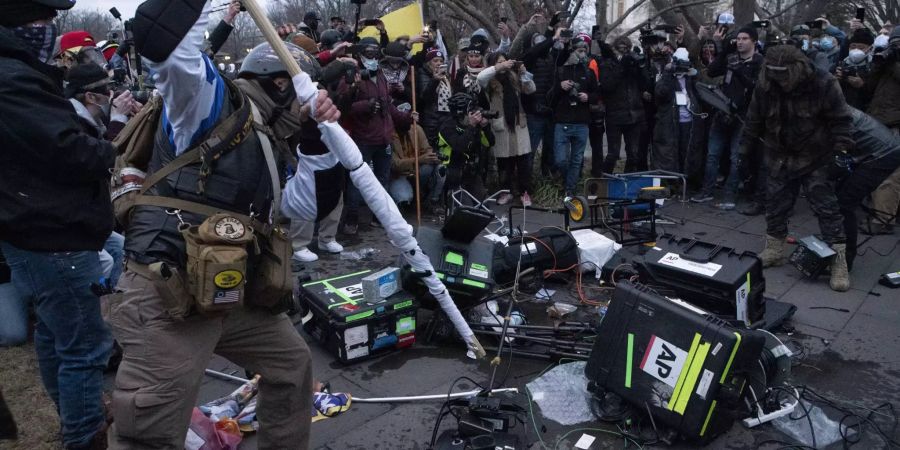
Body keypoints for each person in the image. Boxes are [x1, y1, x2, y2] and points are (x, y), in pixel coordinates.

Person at [109, 2, 339, 447]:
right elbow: (173, 52)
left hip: (228, 289)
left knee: (291, 365)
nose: (303, 104)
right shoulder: (209, 102)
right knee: (151, 428)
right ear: (278, 84)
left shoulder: (271, 141)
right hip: (167, 295)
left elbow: (303, 205)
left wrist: (316, 131)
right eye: (299, 93)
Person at [0, 1, 115, 448]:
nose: (47, 29)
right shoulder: (11, 79)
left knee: (54, 335)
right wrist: (107, 143)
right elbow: (69, 151)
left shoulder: (18, 71)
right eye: (40, 20)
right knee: (84, 350)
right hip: (53, 236)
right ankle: (85, 436)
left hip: (36, 229)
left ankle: (72, 417)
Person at [741, 44, 854, 292]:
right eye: (773, 72)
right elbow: (753, 119)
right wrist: (744, 150)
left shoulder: (823, 83)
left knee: (827, 208)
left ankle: (838, 260)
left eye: (782, 72)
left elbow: (842, 120)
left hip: (816, 155)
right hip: (779, 154)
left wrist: (841, 152)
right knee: (776, 203)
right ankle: (774, 248)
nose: (778, 78)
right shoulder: (766, 84)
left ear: (796, 69)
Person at [339, 36, 414, 234]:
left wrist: (406, 117)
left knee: (382, 179)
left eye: (374, 53)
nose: (371, 57)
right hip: (363, 137)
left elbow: (388, 104)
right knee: (358, 180)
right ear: (360, 54)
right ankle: (352, 217)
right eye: (368, 53)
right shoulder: (351, 75)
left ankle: (378, 216)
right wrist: (366, 105)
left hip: (383, 137)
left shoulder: (380, 74)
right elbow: (343, 107)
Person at [692, 26, 764, 212]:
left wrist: (740, 72)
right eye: (738, 38)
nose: (740, 42)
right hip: (722, 111)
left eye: (745, 38)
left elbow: (757, 89)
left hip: (742, 118)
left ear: (754, 41)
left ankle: (729, 196)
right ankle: (706, 191)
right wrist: (724, 50)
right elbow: (712, 72)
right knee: (712, 155)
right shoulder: (731, 57)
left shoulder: (759, 61)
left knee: (735, 157)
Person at [835, 107, 900, 270]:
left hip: (885, 154)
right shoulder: (829, 104)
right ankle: (837, 248)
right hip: (878, 149)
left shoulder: (829, 110)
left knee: (845, 203)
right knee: (841, 196)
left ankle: (844, 262)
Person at [478, 52, 535, 206]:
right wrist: (498, 67)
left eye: (505, 61)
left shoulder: (514, 77)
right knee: (504, 164)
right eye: (500, 62)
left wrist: (524, 73)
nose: (505, 65)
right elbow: (480, 78)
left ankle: (525, 193)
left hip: (518, 124)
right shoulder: (489, 81)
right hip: (501, 126)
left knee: (524, 163)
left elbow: (531, 89)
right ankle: (506, 192)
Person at [549, 34, 599, 198]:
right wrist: (560, 86)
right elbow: (550, 97)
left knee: (577, 159)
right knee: (561, 160)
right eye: (579, 49)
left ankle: (570, 190)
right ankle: (567, 179)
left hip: (581, 122)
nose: (582, 53)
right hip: (562, 121)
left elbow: (597, 94)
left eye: (584, 50)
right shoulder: (561, 70)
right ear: (572, 51)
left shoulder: (589, 71)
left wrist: (588, 97)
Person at [864, 28, 900, 234]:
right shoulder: (887, 63)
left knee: (891, 175)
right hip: (879, 121)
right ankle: (880, 212)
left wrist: (894, 62)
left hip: (896, 124)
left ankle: (882, 220)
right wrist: (879, 65)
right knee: (874, 170)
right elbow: (869, 88)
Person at [651, 48, 704, 179]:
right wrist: (668, 72)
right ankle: (671, 182)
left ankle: (686, 181)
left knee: (686, 153)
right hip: (670, 123)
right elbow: (661, 93)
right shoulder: (666, 77)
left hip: (689, 123)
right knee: (670, 154)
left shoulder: (690, 79)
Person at [600, 36, 647, 174]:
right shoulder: (607, 63)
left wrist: (640, 66)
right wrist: (622, 67)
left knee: (633, 155)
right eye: (620, 48)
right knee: (613, 155)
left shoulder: (633, 63)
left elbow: (645, 84)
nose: (623, 51)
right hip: (615, 116)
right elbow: (607, 86)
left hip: (634, 116)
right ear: (615, 49)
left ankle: (627, 184)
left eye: (626, 48)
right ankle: (605, 182)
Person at [438, 93, 495, 200]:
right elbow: (460, 146)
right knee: (459, 206)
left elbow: (489, 143)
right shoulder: (447, 126)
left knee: (483, 205)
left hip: (470, 171)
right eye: (471, 110)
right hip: (451, 170)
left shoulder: (474, 126)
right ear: (461, 112)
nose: (475, 113)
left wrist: (485, 127)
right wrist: (471, 126)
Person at [389, 120, 446, 211]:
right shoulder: (388, 134)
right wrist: (418, 160)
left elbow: (427, 149)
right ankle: (404, 202)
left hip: (416, 171)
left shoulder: (416, 129)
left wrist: (431, 157)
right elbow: (395, 165)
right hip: (399, 175)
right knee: (404, 197)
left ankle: (431, 201)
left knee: (439, 169)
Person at [416, 48, 452, 149]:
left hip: (446, 119)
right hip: (431, 121)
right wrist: (434, 80)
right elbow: (425, 96)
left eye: (441, 61)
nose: (438, 63)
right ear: (429, 63)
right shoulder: (424, 74)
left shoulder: (445, 76)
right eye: (435, 61)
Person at [836, 28, 876, 110]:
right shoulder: (840, 64)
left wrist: (862, 86)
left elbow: (878, 94)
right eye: (853, 47)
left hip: (864, 112)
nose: (856, 50)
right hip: (841, 109)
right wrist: (836, 79)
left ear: (870, 49)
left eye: (861, 48)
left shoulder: (875, 67)